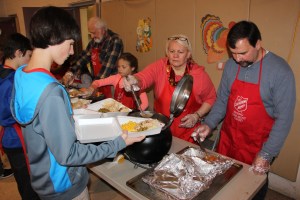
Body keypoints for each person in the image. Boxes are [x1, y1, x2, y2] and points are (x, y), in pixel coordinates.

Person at [10, 6, 144, 200]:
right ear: (54, 37)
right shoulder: (52, 92)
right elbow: (69, 154)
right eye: (71, 43)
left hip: (43, 176)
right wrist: (118, 143)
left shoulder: (22, 74)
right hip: (65, 185)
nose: (73, 51)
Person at [191, 21, 296, 199]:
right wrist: (209, 124)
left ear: (258, 44)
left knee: (252, 191)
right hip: (229, 139)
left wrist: (266, 154)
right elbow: (223, 99)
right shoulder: (232, 65)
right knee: (224, 186)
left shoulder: (280, 71)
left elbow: (284, 119)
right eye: (233, 53)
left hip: (257, 146)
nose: (238, 59)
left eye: (243, 53)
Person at [123, 34, 216, 143]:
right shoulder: (160, 66)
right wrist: (134, 80)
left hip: (188, 134)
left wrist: (197, 115)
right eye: (172, 51)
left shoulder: (199, 75)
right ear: (167, 52)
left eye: (180, 52)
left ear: (188, 54)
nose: (175, 56)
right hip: (161, 128)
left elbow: (211, 98)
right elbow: (143, 78)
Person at [0, 33, 40, 199]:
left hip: (10, 137)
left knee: (23, 180)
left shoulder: (4, 72)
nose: (29, 60)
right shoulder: (10, 80)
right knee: (27, 182)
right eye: (29, 55)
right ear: (18, 53)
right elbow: (7, 113)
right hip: (15, 138)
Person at [63, 16, 124, 98]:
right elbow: (83, 58)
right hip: (97, 82)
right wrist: (70, 72)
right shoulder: (94, 42)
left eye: (94, 33)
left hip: (111, 85)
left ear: (102, 29)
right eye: (90, 33)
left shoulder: (115, 41)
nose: (92, 36)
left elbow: (106, 69)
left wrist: (93, 86)